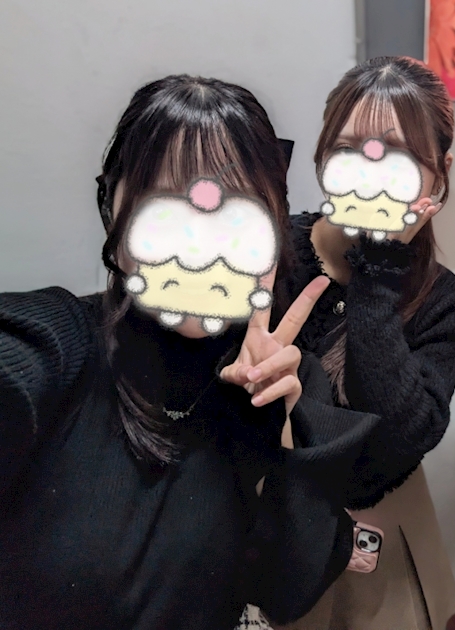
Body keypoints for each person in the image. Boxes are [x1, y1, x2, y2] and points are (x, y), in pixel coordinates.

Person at [0, 75, 381, 630]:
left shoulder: (285, 381)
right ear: (114, 214)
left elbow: (285, 592)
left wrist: (281, 434)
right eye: (167, 207)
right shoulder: (58, 344)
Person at [263, 56, 455, 630]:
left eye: (397, 155)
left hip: (374, 525)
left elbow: (401, 438)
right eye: (346, 149)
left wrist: (379, 270)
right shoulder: (267, 251)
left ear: (440, 172)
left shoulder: (443, 298)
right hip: (263, 518)